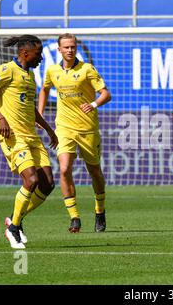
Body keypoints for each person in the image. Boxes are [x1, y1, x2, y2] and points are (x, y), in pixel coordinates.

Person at [0, 35, 58, 249]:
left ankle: (15, 218)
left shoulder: (30, 77)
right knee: (30, 180)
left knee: (48, 183)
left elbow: (30, 109)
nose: (41, 57)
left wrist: (49, 130)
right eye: (38, 53)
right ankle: (13, 228)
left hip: (32, 136)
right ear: (25, 53)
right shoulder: (7, 70)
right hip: (14, 136)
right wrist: (0, 117)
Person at [38, 33, 111, 233]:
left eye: (73, 47)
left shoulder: (87, 69)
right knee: (63, 169)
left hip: (87, 129)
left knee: (94, 172)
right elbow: (44, 89)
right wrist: (40, 114)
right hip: (64, 127)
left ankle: (100, 211)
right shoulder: (52, 70)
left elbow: (106, 93)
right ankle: (74, 217)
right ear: (59, 50)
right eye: (66, 47)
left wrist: (94, 104)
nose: (70, 50)